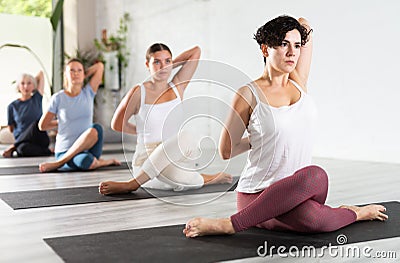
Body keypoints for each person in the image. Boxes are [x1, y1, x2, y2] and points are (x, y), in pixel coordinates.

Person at [183, 15, 388, 238]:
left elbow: (305, 23)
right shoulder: (248, 94)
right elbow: (226, 150)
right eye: (283, 44)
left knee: (316, 178)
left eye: (297, 45)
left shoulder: (298, 81)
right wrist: (258, 137)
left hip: (301, 190)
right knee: (315, 213)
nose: (292, 52)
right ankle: (231, 224)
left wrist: (293, 28)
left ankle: (349, 213)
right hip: (258, 194)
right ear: (265, 49)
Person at [99, 44, 232, 194]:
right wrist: (141, 131)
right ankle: (135, 183)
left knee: (186, 137)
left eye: (167, 61)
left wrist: (169, 65)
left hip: (176, 154)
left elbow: (196, 52)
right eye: (156, 62)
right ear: (147, 65)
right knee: (181, 179)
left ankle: (137, 183)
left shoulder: (177, 86)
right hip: (147, 158)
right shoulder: (138, 92)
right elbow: (117, 124)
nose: (163, 66)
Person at [38, 58, 120, 172]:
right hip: (65, 151)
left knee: (96, 129)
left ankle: (58, 164)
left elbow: (99, 66)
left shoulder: (88, 93)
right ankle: (103, 162)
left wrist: (83, 74)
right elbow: (42, 126)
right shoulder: (58, 98)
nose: (76, 73)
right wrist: (61, 122)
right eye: (72, 71)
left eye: (79, 70)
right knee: (85, 161)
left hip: (88, 147)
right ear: (65, 74)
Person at [2, 71, 51, 157]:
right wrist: (26, 134)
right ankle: (48, 151)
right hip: (24, 142)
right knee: (22, 150)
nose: (26, 86)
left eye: (29, 83)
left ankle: (13, 146)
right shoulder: (12, 106)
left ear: (34, 85)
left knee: (37, 123)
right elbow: (11, 129)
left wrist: (33, 81)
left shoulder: (37, 98)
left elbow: (41, 74)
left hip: (39, 138)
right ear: (18, 86)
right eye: (22, 83)